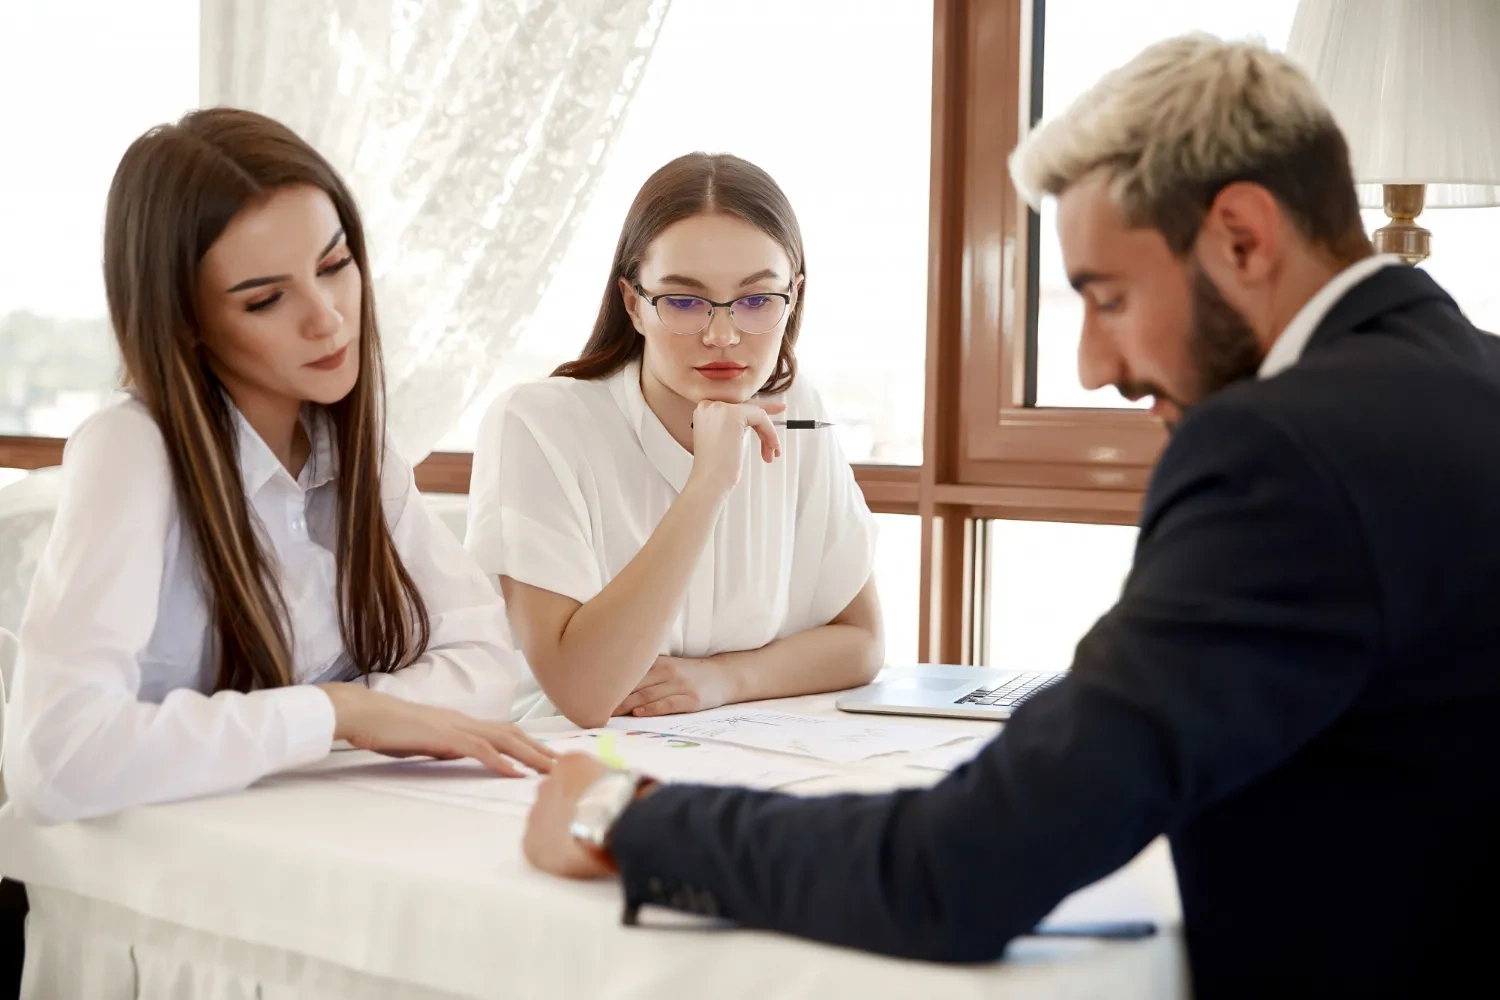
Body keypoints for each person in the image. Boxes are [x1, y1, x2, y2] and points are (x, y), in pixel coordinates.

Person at [521, 34, 1500, 997]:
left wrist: (626, 817)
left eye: (1106, 296)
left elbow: (960, 869)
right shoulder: (1471, 381)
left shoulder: (1281, 455)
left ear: (1243, 236)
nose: (1092, 368)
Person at [4, 108, 554, 829]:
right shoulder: (132, 451)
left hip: (316, 841)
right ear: (187, 323)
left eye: (335, 265)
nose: (327, 319)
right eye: (266, 298)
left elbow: (484, 663)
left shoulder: (352, 450)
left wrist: (351, 717)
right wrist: (341, 713)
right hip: (156, 892)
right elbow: (58, 758)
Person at [465, 154, 883, 727]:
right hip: (560, 767)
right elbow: (585, 694)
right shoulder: (538, 423)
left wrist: (721, 679)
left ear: (793, 299)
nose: (722, 334)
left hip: (739, 756)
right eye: (684, 301)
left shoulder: (795, 407)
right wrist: (706, 486)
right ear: (634, 303)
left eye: (758, 300)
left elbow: (860, 641)